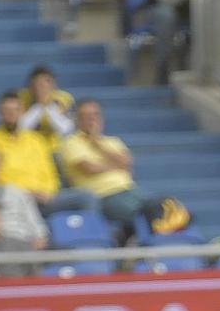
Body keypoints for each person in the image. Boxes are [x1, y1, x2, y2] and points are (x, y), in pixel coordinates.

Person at [58, 99, 191, 242]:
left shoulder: (112, 141)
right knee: (151, 209)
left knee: (169, 205)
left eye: (96, 115)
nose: (92, 119)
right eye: (86, 116)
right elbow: (89, 168)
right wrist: (116, 165)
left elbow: (127, 163)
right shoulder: (71, 142)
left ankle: (134, 240)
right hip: (103, 196)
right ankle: (147, 247)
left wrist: (97, 144)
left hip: (129, 190)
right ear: (77, 120)